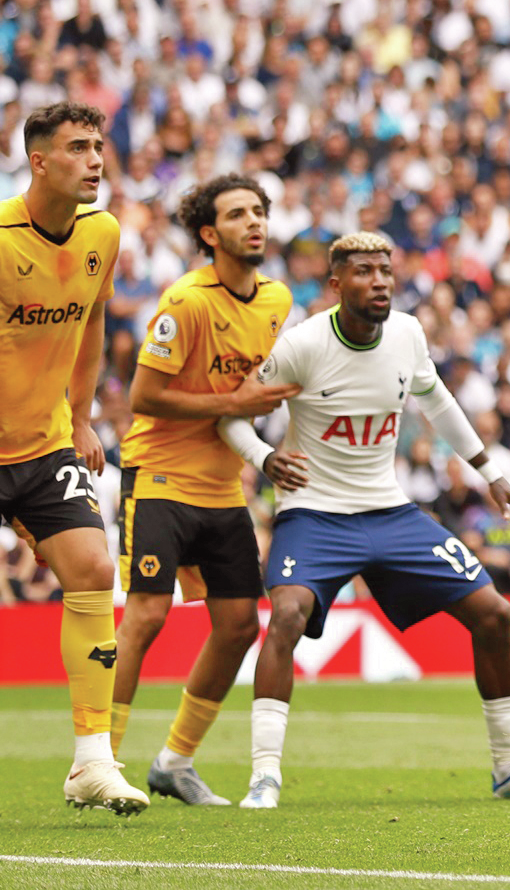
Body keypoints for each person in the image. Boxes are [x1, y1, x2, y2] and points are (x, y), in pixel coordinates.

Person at [218, 233, 510, 808]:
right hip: (316, 514)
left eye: (385, 270)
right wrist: (264, 458)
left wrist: (492, 473)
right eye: (363, 272)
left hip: (391, 511)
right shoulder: (303, 345)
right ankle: (264, 776)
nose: (379, 281)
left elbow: (438, 403)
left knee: (495, 614)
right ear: (337, 285)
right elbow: (232, 415)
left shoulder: (407, 332)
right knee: (286, 614)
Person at [111, 175, 304, 805]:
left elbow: (270, 389)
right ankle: (100, 759)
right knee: (146, 615)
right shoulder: (185, 302)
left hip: (223, 486)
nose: (254, 223)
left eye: (259, 212)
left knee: (239, 625)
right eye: (238, 214)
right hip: (160, 474)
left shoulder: (278, 301)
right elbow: (143, 398)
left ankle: (174, 761)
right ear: (208, 233)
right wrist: (235, 400)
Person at [0, 104, 145, 812]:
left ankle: (93, 760)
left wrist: (81, 416)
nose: (95, 159)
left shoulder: (103, 232)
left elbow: (89, 322)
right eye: (78, 148)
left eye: (98, 146)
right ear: (38, 160)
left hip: (42, 441)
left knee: (92, 567)